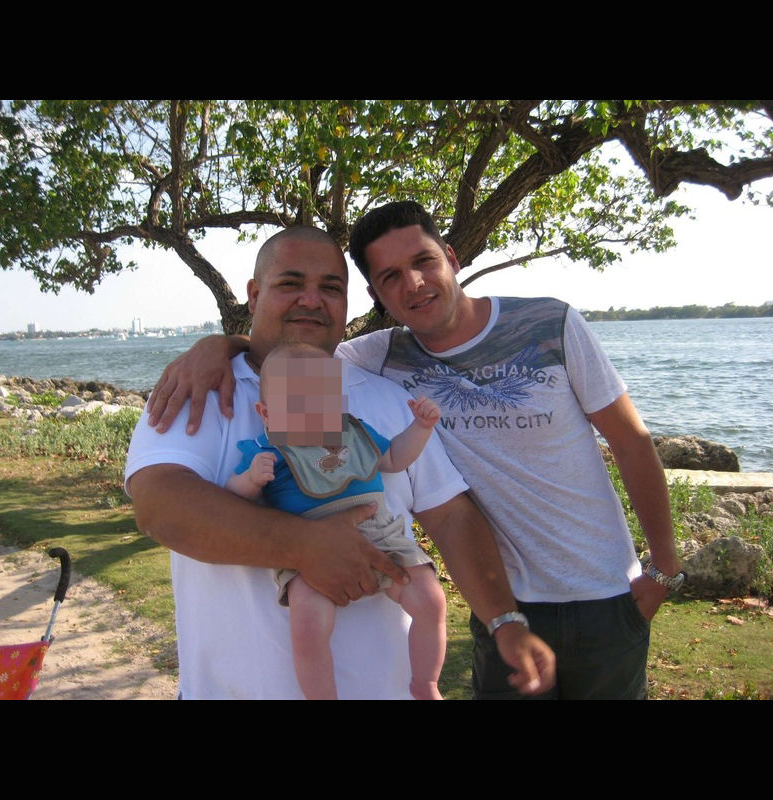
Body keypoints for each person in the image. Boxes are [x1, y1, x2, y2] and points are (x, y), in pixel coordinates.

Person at [149, 202, 684, 700]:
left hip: (600, 594)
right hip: (500, 602)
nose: (414, 283)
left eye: (424, 261)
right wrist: (220, 346)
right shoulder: (227, 387)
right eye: (389, 277)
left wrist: (662, 568)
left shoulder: (530, 330)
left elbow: (627, 444)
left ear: (450, 257)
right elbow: (163, 503)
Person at [127, 224, 555, 699]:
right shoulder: (198, 389)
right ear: (254, 294)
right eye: (291, 283)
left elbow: (452, 516)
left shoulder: (387, 396)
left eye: (331, 288)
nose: (312, 300)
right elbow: (159, 505)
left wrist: (505, 619)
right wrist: (304, 546)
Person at [227, 342, 447, 699]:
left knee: (431, 599)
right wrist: (250, 480)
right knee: (308, 630)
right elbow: (234, 499)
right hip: (309, 549)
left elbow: (394, 457)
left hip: (382, 534)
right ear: (266, 413)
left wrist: (421, 428)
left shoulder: (355, 435)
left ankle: (425, 683)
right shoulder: (266, 451)